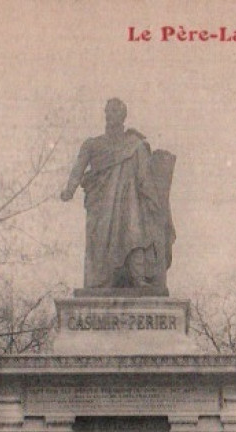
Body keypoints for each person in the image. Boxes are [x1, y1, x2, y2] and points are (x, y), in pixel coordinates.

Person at [61, 98, 175, 290]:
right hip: (102, 204)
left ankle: (139, 278)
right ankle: (102, 282)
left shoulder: (134, 145)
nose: (109, 114)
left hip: (129, 202)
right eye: (107, 111)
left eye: (114, 111)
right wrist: (69, 189)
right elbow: (78, 169)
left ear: (123, 115)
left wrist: (153, 202)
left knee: (135, 233)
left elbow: (144, 176)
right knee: (102, 241)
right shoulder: (93, 144)